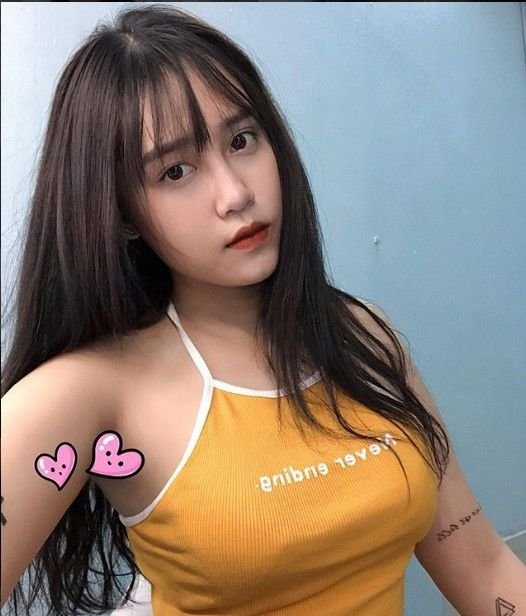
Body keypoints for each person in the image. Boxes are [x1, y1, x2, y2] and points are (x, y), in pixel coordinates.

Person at [1, 4, 524, 616]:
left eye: (242, 140)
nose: (235, 193)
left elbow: (483, 565)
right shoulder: (92, 392)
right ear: (119, 212)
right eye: (175, 170)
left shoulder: (366, 338)